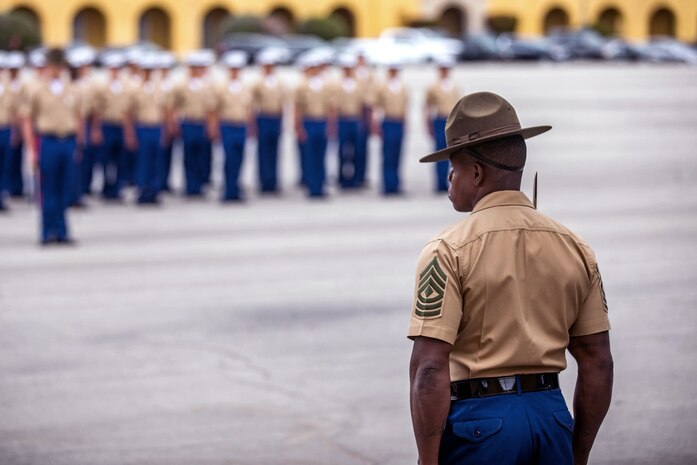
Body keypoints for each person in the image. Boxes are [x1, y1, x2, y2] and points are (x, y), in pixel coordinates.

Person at [408, 92, 613, 465]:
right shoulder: (575, 246)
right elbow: (598, 360)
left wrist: (427, 459)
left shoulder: (448, 249)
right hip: (552, 417)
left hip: (481, 427)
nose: (449, 176)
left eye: (452, 166)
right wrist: (577, 453)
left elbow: (430, 366)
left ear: (476, 173)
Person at [21, 48, 84, 245]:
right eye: (52, 66)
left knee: (65, 188)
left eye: (59, 66)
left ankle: (62, 231)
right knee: (48, 189)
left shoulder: (72, 90)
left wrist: (80, 143)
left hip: (68, 141)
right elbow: (27, 120)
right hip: (47, 141)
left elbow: (78, 117)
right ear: (46, 67)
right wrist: (32, 149)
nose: (56, 70)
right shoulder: (37, 90)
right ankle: (47, 232)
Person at [124, 53, 171, 205]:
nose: (148, 73)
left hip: (156, 127)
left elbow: (165, 111)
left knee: (157, 161)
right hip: (142, 127)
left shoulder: (160, 88)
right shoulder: (135, 89)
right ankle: (143, 191)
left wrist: (166, 130)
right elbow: (128, 113)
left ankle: (154, 190)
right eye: (146, 70)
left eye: (151, 70)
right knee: (143, 161)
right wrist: (130, 133)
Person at [171, 50, 216, 197]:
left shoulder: (208, 85)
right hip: (188, 122)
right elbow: (174, 105)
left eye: (199, 66)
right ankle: (191, 185)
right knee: (188, 156)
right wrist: (175, 122)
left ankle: (202, 182)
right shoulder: (182, 85)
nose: (196, 69)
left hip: (203, 122)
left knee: (203, 155)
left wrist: (212, 125)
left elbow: (212, 108)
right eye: (193, 66)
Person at [293, 55, 334, 198]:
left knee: (321, 156)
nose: (315, 71)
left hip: (321, 121)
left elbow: (330, 108)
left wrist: (330, 125)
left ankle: (320, 185)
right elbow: (298, 108)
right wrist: (298, 127)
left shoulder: (325, 86)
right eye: (312, 68)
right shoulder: (302, 86)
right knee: (309, 156)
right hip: (309, 121)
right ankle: (312, 186)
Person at [214, 51, 252, 202]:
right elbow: (214, 110)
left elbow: (249, 109)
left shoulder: (245, 87)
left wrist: (250, 127)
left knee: (240, 158)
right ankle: (228, 190)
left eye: (238, 68)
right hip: (227, 125)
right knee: (229, 158)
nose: (235, 71)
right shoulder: (221, 87)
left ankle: (236, 187)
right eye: (232, 68)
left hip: (241, 126)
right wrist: (214, 128)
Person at [95, 51, 129, 201]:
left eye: (117, 69)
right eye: (112, 68)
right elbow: (98, 110)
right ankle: (107, 187)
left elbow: (129, 111)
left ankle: (117, 188)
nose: (115, 72)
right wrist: (97, 130)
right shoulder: (102, 87)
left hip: (121, 126)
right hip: (107, 125)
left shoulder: (126, 87)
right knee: (106, 159)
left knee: (120, 159)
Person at [251, 50, 285, 194]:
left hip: (275, 118)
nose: (269, 68)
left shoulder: (278, 82)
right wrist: (253, 124)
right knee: (263, 152)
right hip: (263, 117)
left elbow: (282, 103)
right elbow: (253, 104)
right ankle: (264, 182)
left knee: (275, 151)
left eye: (272, 65)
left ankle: (273, 181)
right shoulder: (258, 83)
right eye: (267, 65)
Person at [425, 57, 460, 193]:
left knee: (453, 154)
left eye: (447, 69)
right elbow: (427, 106)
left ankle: (451, 181)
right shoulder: (433, 87)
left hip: (452, 120)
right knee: (440, 152)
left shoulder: (454, 86)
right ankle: (439, 183)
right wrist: (428, 123)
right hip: (439, 120)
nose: (445, 71)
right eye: (442, 69)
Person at [373, 62, 408, 195]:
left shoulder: (402, 87)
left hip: (398, 121)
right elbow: (377, 107)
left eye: (395, 70)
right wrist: (376, 123)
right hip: (388, 121)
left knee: (398, 154)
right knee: (387, 154)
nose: (393, 73)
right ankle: (387, 185)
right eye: (391, 70)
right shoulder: (382, 87)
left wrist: (405, 123)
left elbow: (405, 107)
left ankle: (396, 184)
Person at [333, 55, 366, 189]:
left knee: (357, 150)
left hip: (355, 119)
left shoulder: (359, 84)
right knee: (342, 150)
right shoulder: (336, 85)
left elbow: (363, 104)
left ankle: (357, 178)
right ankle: (342, 178)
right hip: (342, 119)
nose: (347, 71)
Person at [3, 51, 28, 199]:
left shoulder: (22, 85)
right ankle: (8, 188)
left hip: (17, 124)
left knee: (17, 158)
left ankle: (17, 187)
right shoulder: (6, 85)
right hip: (6, 125)